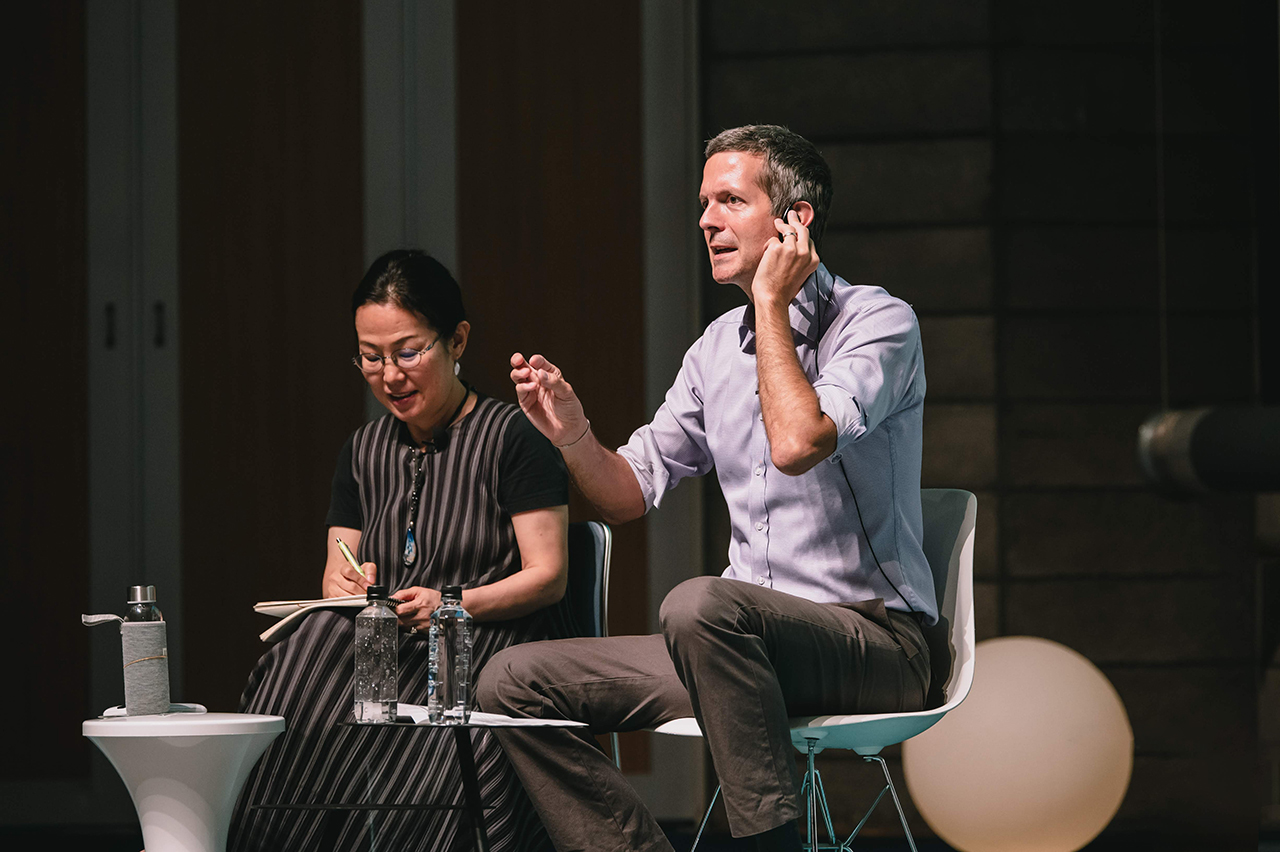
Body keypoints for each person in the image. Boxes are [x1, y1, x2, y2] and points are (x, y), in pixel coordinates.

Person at [476, 125, 936, 852]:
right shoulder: (716, 348)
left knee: (699, 605)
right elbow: (626, 494)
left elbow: (796, 444)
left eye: (729, 200)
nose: (706, 221)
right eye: (702, 203)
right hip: (731, 649)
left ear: (794, 220)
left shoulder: (877, 321)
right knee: (508, 681)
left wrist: (770, 307)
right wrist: (571, 433)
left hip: (874, 643)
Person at [230, 250, 567, 852]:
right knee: (301, 657)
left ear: (456, 340)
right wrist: (351, 589)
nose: (390, 375)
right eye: (370, 356)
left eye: (408, 352)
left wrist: (451, 601)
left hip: (476, 640)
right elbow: (338, 574)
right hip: (384, 642)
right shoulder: (363, 451)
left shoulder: (512, 435)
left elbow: (548, 577)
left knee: (426, 724)